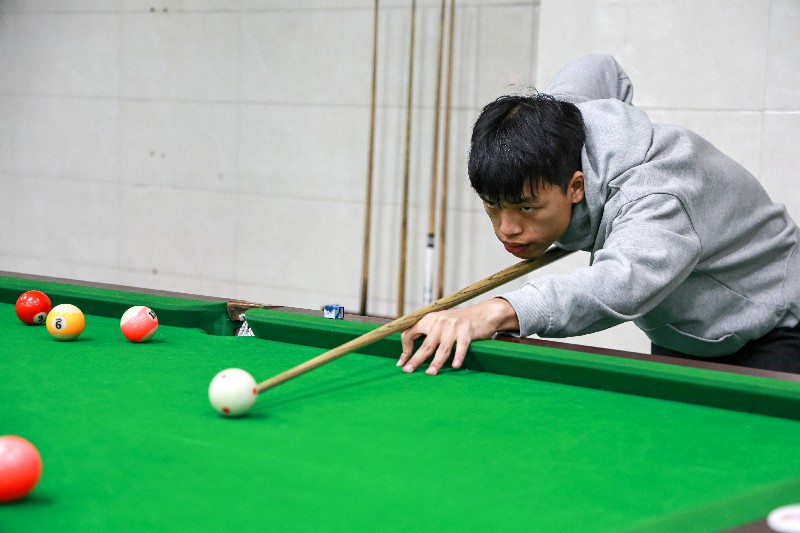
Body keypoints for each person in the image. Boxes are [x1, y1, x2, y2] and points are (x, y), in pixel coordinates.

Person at [397, 55, 800, 375]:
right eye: (492, 204)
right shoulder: (560, 121)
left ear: (576, 187)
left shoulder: (656, 196)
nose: (507, 228)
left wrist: (496, 311)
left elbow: (618, 284)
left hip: (772, 324)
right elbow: (602, 67)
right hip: (685, 327)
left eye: (526, 207)